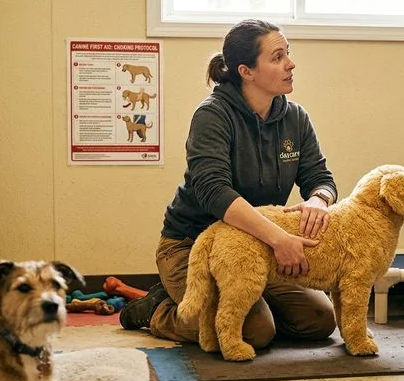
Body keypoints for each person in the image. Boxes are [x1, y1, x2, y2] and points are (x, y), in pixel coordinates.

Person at [119, 19, 339, 348]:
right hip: (193, 246)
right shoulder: (212, 116)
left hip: (256, 246)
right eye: (277, 57)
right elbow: (215, 193)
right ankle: (157, 310)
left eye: (288, 53)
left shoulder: (296, 118)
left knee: (319, 321)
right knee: (252, 332)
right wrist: (280, 239)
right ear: (246, 71)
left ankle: (252, 302)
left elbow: (321, 179)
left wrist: (318, 201)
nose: (290, 64)